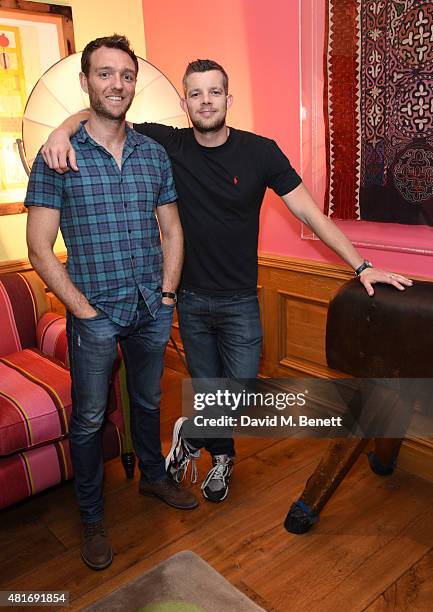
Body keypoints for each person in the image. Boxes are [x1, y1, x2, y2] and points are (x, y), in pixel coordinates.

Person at [41, 57, 412, 506]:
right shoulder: (168, 144)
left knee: (235, 393)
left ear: (228, 99)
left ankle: (191, 434)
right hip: (189, 301)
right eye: (195, 93)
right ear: (185, 102)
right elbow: (106, 110)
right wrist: (61, 130)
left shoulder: (260, 152)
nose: (205, 101)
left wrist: (362, 265)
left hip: (240, 302)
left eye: (214, 92)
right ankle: (222, 458)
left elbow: (310, 212)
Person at [25, 35, 198, 572]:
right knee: (91, 419)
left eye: (125, 75)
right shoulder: (58, 156)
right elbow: (38, 246)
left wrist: (168, 294)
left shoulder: (153, 154)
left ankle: (153, 478)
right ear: (86, 82)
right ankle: (93, 519)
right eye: (104, 74)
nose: (116, 84)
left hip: (151, 306)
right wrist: (81, 309)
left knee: (148, 403)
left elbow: (172, 230)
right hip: (94, 313)